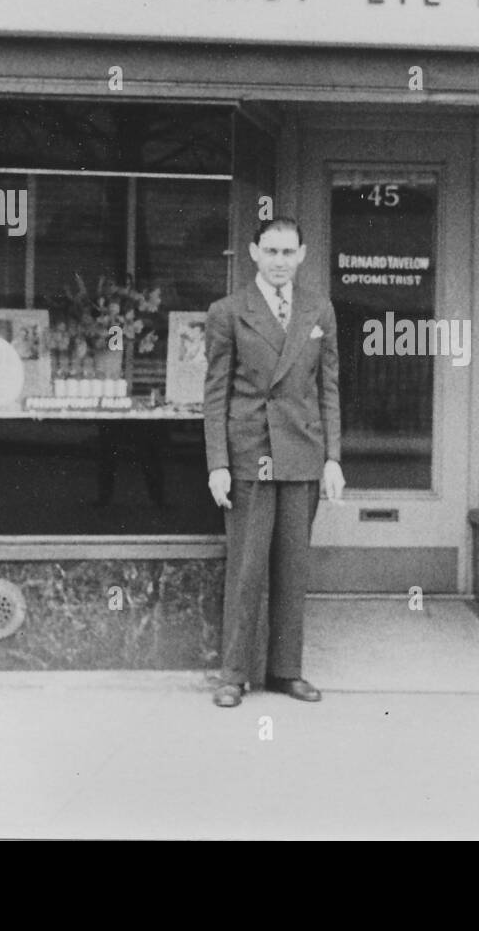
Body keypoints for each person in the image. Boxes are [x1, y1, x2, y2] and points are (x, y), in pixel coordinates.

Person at [203, 217, 345, 707]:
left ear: (303, 254)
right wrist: (218, 462)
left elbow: (328, 387)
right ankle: (233, 674)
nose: (280, 261)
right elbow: (215, 393)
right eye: (271, 252)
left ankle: (287, 671)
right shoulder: (228, 312)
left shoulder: (318, 308)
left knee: (293, 566)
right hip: (251, 454)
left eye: (288, 252)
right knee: (246, 569)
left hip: (302, 454)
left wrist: (333, 458)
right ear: (253, 253)